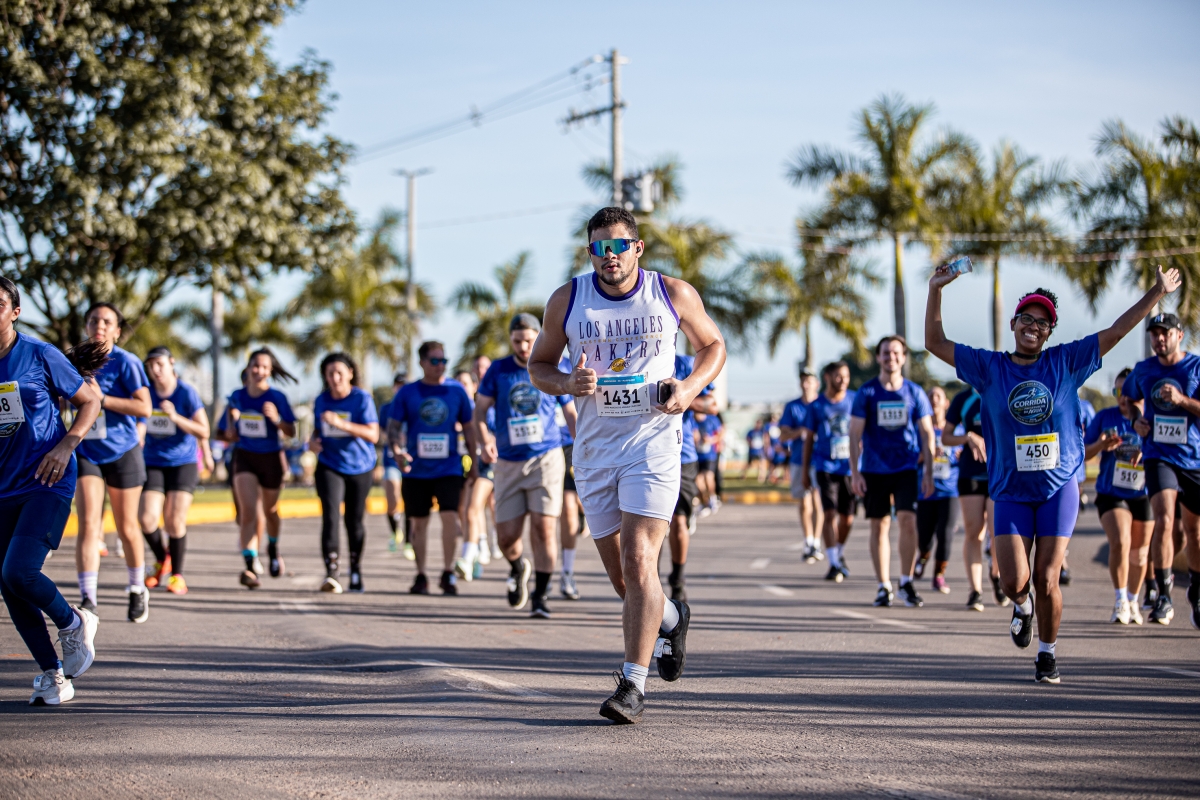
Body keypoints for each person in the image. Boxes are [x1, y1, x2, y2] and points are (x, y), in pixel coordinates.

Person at [926, 262, 1179, 683]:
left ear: (1049, 333)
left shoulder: (1067, 362)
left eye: (1042, 323)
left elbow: (1117, 331)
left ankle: (1047, 653)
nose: (1033, 326)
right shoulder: (989, 367)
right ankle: (1021, 607)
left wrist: (1156, 293)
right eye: (1027, 318)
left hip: (1058, 487)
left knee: (1047, 576)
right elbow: (934, 342)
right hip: (1009, 490)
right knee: (1014, 581)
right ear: (1013, 324)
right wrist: (936, 288)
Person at [529, 206, 725, 724]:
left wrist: (689, 388)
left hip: (653, 444)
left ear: (637, 248)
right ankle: (673, 618)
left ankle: (632, 685)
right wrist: (566, 382)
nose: (609, 256)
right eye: (599, 248)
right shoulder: (567, 300)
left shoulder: (671, 293)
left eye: (618, 246)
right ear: (589, 252)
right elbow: (539, 366)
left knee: (640, 561)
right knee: (626, 582)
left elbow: (713, 345)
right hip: (595, 452)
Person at [0, 276, 102, 704]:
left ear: (15, 312)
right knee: (8, 585)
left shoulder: (39, 354)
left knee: (18, 572)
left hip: (47, 479)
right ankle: (53, 675)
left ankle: (73, 620)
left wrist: (66, 445)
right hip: (3, 487)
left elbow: (90, 401)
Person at [472, 314, 576, 619]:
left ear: (539, 337)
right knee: (506, 537)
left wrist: (583, 445)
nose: (523, 346)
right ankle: (518, 567)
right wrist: (485, 439)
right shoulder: (498, 370)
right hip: (507, 462)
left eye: (529, 340)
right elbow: (480, 412)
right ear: (511, 340)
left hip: (546, 458)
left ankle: (540, 596)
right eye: (517, 341)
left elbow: (570, 412)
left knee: (544, 529)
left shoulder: (554, 366)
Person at [73, 303, 153, 622]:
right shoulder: (74, 361)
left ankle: (136, 587)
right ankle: (88, 598)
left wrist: (102, 399)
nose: (100, 326)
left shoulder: (126, 362)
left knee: (127, 526)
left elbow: (144, 407)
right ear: (86, 326)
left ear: (117, 331)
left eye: (107, 322)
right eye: (94, 320)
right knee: (89, 524)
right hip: (86, 450)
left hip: (122, 451)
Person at [1123, 311, 1200, 628]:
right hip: (1158, 454)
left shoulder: (1195, 367)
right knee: (1164, 518)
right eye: (1154, 334)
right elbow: (1129, 398)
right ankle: (1164, 595)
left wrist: (1182, 400)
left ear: (1179, 336)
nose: (1159, 339)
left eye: (1165, 333)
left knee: (1194, 531)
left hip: (1193, 458)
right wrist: (1135, 421)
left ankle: (1196, 590)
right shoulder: (1143, 369)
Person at [849, 336, 936, 609]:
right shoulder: (867, 392)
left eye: (896, 353)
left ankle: (906, 582)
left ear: (904, 357)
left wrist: (929, 472)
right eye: (886, 353)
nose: (891, 357)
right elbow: (854, 434)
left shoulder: (914, 392)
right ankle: (883, 585)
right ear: (878, 357)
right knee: (880, 525)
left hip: (906, 467)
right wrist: (855, 473)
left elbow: (927, 433)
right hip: (874, 469)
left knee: (908, 521)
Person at [388, 341, 475, 596]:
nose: (440, 366)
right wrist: (397, 451)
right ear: (422, 363)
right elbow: (393, 427)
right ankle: (421, 574)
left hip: (449, 467)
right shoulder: (407, 393)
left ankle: (448, 572)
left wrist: (474, 462)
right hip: (416, 470)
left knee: (450, 518)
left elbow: (469, 427)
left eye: (443, 360)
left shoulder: (456, 391)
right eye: (434, 361)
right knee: (419, 524)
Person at [221, 348, 297, 590]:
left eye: (264, 367)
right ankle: (250, 566)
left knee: (270, 511)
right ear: (248, 368)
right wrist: (230, 432)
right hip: (245, 456)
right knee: (248, 513)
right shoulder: (237, 396)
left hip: (271, 458)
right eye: (255, 366)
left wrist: (277, 420)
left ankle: (272, 548)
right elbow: (225, 431)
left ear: (270, 371)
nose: (259, 371)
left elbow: (291, 431)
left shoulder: (277, 397)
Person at [139, 347, 212, 596]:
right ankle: (162, 559)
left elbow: (204, 430)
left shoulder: (186, 392)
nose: (155, 369)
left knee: (174, 520)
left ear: (172, 363)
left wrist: (176, 417)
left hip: (183, 462)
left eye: (159, 363)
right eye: (151, 365)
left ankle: (177, 575)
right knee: (147, 518)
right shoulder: (146, 393)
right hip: (153, 461)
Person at [1084, 368, 1150, 625]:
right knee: (1121, 542)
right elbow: (1083, 452)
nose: (1123, 397)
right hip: (1111, 493)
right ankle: (1120, 599)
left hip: (1143, 493)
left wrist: (1147, 452)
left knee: (1140, 554)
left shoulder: (1150, 419)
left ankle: (1133, 600)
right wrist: (1102, 445)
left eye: (1127, 391)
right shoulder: (1105, 417)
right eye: (1117, 391)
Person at [310, 353, 380, 593]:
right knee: (330, 516)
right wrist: (312, 442)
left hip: (360, 466)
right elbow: (317, 431)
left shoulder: (361, 399)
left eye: (339, 372)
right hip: (329, 464)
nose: (335, 378)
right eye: (330, 374)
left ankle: (356, 568)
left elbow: (373, 434)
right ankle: (332, 572)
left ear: (350, 373)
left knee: (354, 520)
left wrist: (342, 424)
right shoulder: (321, 400)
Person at [943, 385, 1006, 612]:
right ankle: (975, 591)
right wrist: (967, 437)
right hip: (970, 474)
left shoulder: (1003, 390)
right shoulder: (963, 399)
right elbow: (946, 437)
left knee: (998, 533)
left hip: (999, 474)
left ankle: (996, 574)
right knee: (974, 532)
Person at [667, 353, 716, 602]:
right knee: (645, 527)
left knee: (678, 522)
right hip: (641, 454)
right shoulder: (633, 356)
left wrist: (684, 396)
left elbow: (712, 405)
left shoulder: (686, 364)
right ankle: (648, 586)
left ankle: (677, 581)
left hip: (681, 456)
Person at [802, 361, 858, 581]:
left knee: (848, 518)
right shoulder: (817, 406)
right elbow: (808, 439)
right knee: (829, 513)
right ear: (827, 377)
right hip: (825, 466)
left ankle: (839, 552)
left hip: (850, 468)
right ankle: (833, 562)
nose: (843, 380)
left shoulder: (855, 400)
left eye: (846, 376)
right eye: (838, 376)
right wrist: (805, 470)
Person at [914, 385, 960, 595]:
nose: (934, 399)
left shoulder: (956, 431)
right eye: (930, 396)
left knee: (945, 534)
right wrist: (928, 453)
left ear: (946, 403)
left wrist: (960, 455)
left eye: (938, 396)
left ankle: (939, 575)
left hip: (949, 491)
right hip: (925, 491)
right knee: (925, 537)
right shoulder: (921, 430)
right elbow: (912, 457)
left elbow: (965, 453)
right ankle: (923, 555)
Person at [780, 370, 823, 562]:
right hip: (798, 460)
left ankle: (817, 542)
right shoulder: (792, 407)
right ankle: (808, 541)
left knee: (818, 502)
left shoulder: (822, 405)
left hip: (820, 460)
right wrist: (801, 432)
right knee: (805, 502)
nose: (806, 385)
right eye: (803, 381)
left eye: (810, 381)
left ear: (817, 384)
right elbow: (783, 435)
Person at [556, 355, 585, 600]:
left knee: (568, 507)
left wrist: (582, 442)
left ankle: (567, 572)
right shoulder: (531, 364)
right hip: (536, 449)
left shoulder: (571, 362)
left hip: (568, 445)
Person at [378, 373, 411, 558]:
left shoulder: (413, 405)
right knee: (392, 499)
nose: (400, 388)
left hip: (410, 459)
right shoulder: (386, 408)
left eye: (403, 385)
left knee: (409, 501)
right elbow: (380, 430)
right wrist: (393, 437)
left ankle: (409, 542)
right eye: (398, 385)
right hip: (391, 459)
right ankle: (395, 531)